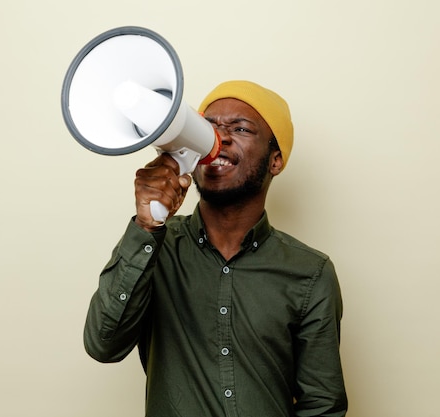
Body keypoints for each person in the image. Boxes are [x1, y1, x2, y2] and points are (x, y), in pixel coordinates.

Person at [83, 80, 348, 416]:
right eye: (207, 127)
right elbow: (103, 345)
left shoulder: (310, 273)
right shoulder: (153, 247)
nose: (218, 139)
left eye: (240, 128)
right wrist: (147, 226)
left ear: (275, 160)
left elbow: (322, 406)